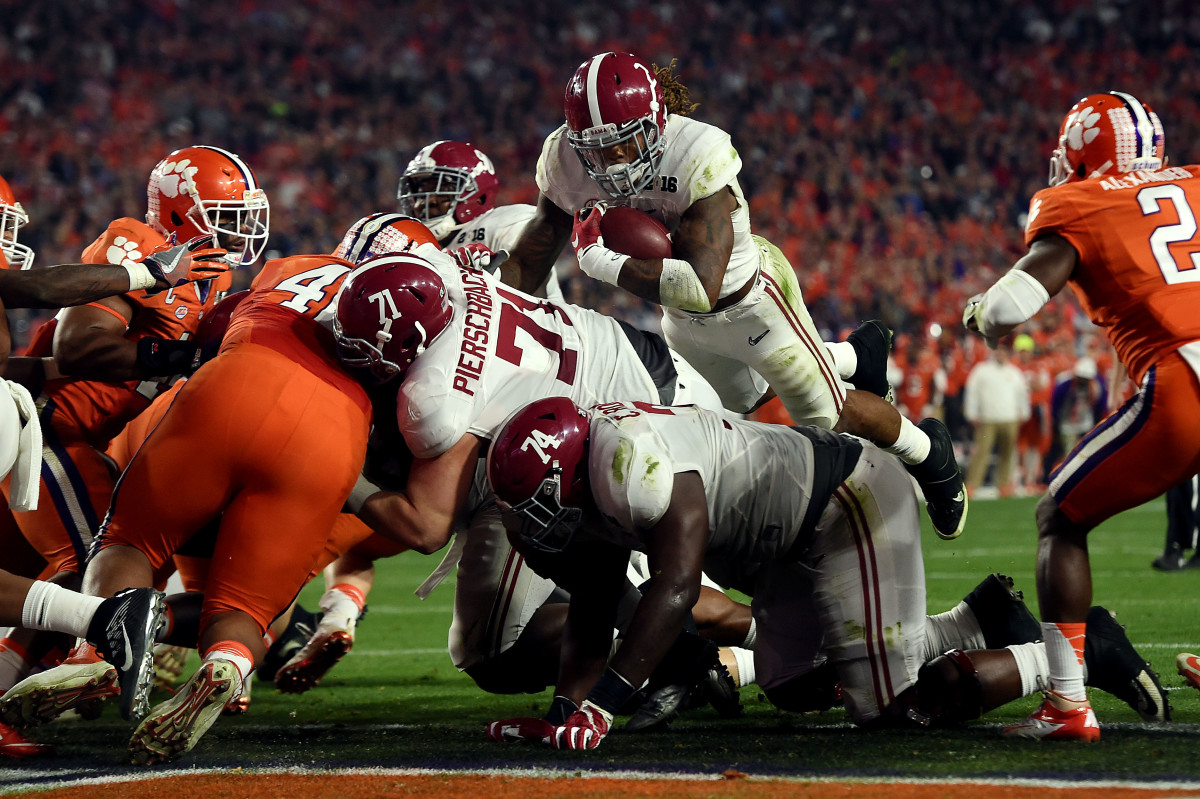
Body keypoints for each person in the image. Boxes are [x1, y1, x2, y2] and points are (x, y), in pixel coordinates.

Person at [483, 397, 1167, 748]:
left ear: (571, 469)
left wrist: (600, 705)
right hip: (789, 542)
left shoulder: (631, 463)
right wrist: (565, 711)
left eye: (540, 501)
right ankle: (980, 618)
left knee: (896, 711)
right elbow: (597, 597)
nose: (536, 522)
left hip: (846, 504)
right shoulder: (590, 471)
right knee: (797, 682)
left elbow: (676, 587)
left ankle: (1080, 649)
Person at [500, 51, 966, 540]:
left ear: (656, 123)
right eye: (596, 150)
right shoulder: (565, 160)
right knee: (739, 399)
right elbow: (535, 251)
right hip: (680, 320)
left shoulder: (696, 151)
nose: (611, 161)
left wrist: (598, 261)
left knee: (824, 413)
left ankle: (927, 451)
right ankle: (856, 354)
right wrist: (488, 287)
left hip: (753, 301)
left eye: (623, 143)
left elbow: (701, 287)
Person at [0, 239, 399, 763]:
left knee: (126, 546)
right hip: (334, 430)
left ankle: (94, 650)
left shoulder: (287, 270)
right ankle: (228, 666)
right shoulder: (408, 307)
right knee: (248, 606)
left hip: (228, 390)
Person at [962, 91, 1200, 740]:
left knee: (1060, 515)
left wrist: (982, 310)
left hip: (1185, 375)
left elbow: (1011, 307)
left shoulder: (1081, 201)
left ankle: (1067, 703)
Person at [0, 147, 263, 723]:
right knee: (90, 562)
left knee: (97, 565)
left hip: (76, 440)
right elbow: (81, 345)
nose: (239, 226)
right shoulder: (136, 241)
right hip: (48, 433)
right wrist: (189, 352)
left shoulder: (210, 279)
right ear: (178, 210)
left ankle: (51, 679)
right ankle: (61, 677)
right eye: (225, 211)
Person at [397, 140, 569, 303]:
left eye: (441, 187)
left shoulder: (505, 222)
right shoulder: (409, 245)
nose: (426, 201)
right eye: (419, 190)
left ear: (478, 196)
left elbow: (521, 276)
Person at [963, 339, 1030, 497]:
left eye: (1003, 350)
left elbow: (1022, 394)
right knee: (981, 453)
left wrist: (1024, 412)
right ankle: (972, 485)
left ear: (1007, 353)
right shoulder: (982, 370)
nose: (1000, 353)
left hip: (1010, 418)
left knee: (1007, 454)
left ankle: (1004, 485)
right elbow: (972, 392)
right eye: (997, 350)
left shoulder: (1014, 372)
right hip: (988, 418)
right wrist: (971, 412)